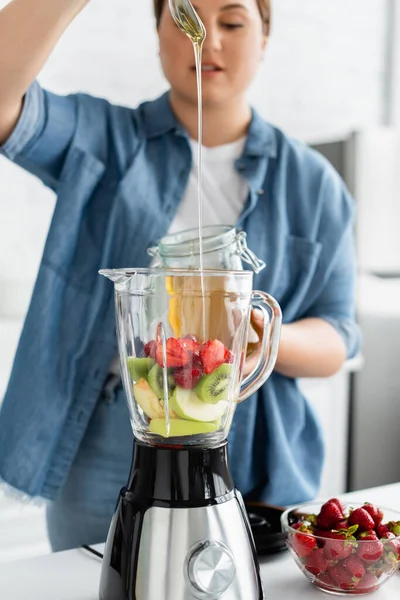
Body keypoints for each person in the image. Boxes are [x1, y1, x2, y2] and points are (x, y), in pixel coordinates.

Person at [0, 0, 359, 552]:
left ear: (265, 38)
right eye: (189, 15)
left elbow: (339, 335)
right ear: (159, 32)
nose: (209, 38)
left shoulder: (313, 183)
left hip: (253, 456)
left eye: (234, 22)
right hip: (108, 445)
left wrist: (261, 339)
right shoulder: (106, 139)